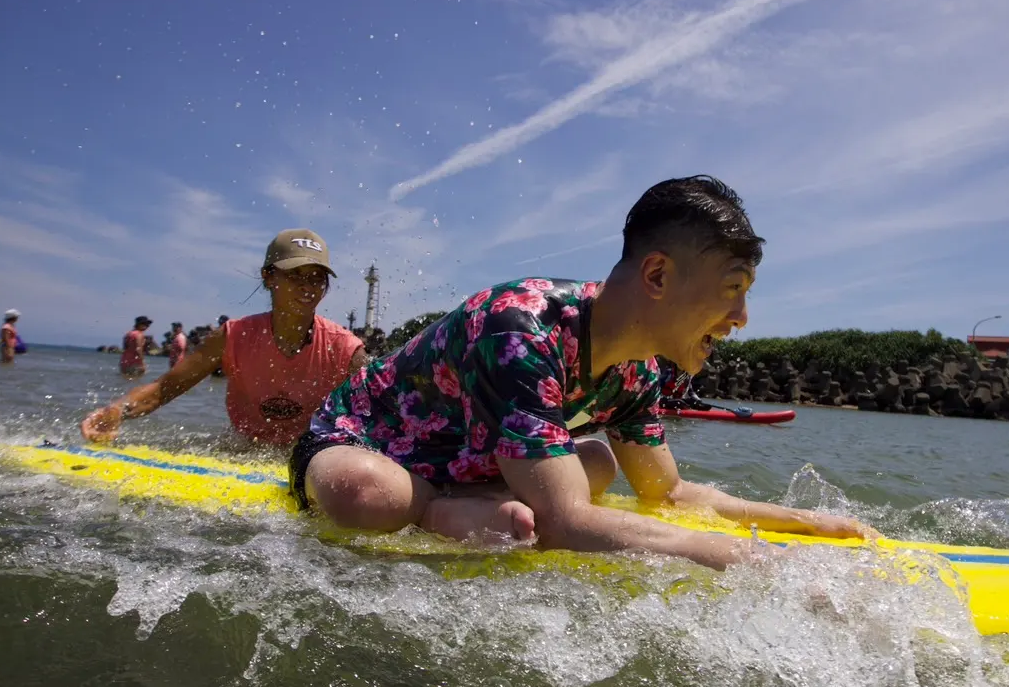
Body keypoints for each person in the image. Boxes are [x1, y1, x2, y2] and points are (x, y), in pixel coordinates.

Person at [291, 176, 875, 569]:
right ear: (657, 276)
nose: (741, 318)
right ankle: (433, 508)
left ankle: (458, 503)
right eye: (731, 291)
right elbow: (567, 524)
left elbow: (667, 494)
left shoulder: (635, 369)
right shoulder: (519, 327)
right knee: (369, 495)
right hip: (364, 446)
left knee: (596, 462)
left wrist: (806, 525)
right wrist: (754, 562)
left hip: (475, 464)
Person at [81, 229, 367, 446]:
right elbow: (162, 389)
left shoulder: (344, 349)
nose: (307, 287)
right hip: (243, 449)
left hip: (312, 456)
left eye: (316, 278)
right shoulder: (233, 337)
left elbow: (376, 421)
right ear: (268, 277)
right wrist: (118, 411)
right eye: (295, 275)